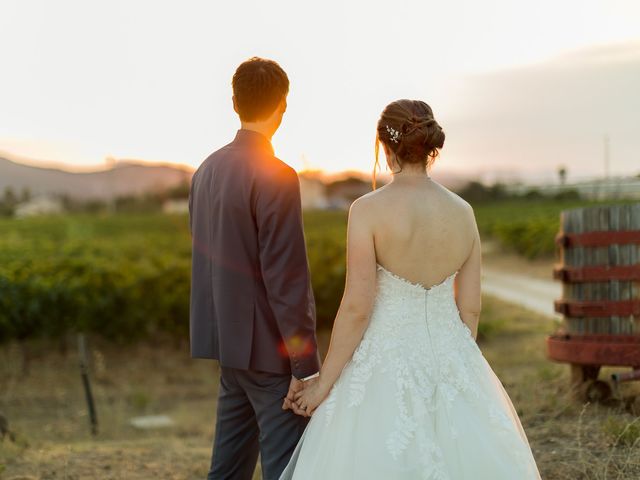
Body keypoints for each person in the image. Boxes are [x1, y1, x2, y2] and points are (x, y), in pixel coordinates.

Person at [280, 99, 542, 479]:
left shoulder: (367, 210)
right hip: (454, 358)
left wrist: (324, 384)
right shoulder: (463, 212)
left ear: (385, 147)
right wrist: (453, 363)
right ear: (429, 147)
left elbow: (357, 306)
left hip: (385, 361)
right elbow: (470, 308)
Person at [188, 57, 321, 480]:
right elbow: (287, 280)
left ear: (234, 102)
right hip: (271, 354)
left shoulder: (205, 170)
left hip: (230, 349)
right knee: (289, 471)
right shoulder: (277, 175)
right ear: (283, 105)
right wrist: (306, 366)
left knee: (227, 471)